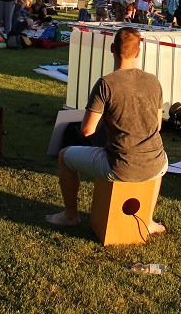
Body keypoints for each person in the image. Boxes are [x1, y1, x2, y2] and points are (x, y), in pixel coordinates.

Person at [46, 27, 167, 234]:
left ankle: (70, 215)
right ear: (138, 52)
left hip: (120, 165)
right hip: (156, 162)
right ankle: (147, 220)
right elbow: (157, 126)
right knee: (159, 160)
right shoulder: (154, 81)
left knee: (65, 155)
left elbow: (87, 130)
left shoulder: (106, 84)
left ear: (112, 48)